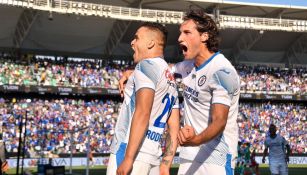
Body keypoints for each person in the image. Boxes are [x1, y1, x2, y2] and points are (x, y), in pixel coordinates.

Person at [119, 8, 240, 175]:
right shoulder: (187, 67)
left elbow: (219, 121)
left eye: (187, 32)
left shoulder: (222, 71)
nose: (179, 38)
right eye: (180, 33)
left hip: (216, 159)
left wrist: (195, 140)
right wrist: (132, 72)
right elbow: (162, 71)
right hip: (188, 156)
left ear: (204, 36)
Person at [107, 22, 180, 175]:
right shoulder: (171, 78)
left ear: (150, 43)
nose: (132, 42)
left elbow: (143, 112)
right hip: (153, 157)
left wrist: (128, 159)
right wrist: (166, 165)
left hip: (130, 154)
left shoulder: (145, 66)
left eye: (137, 38)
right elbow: (174, 128)